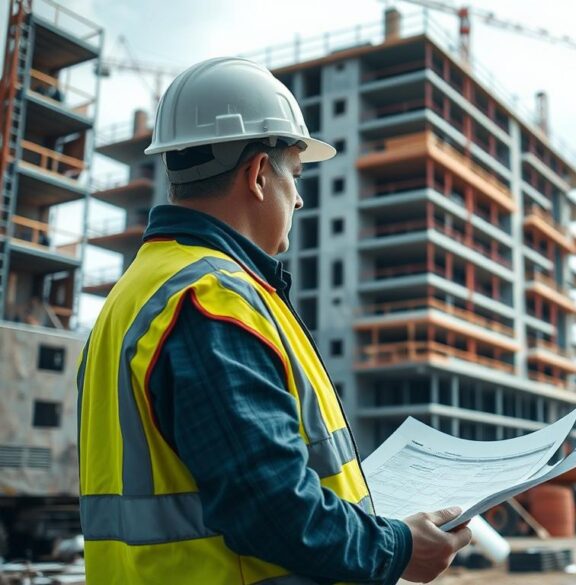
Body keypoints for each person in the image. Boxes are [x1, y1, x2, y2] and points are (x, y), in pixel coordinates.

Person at [77, 57, 471, 584]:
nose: (302, 198)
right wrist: (398, 547)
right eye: (298, 175)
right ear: (259, 174)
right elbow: (271, 508)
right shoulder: (210, 300)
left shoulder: (136, 294)